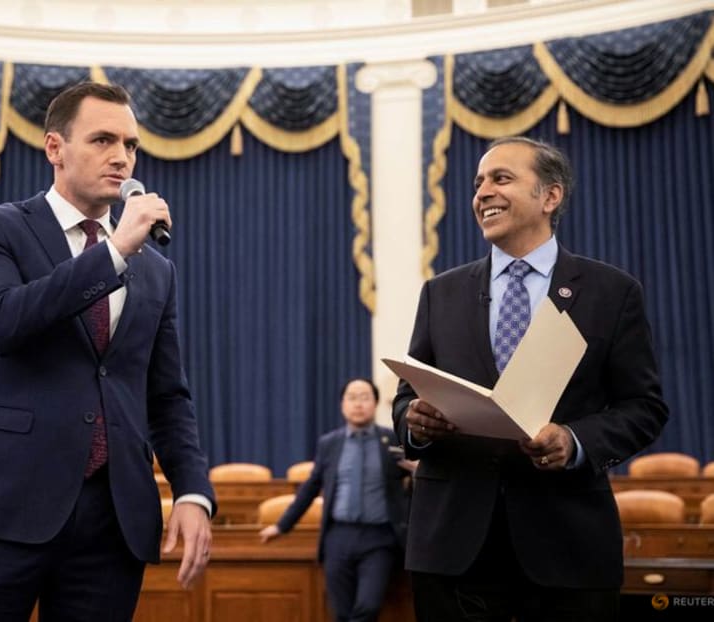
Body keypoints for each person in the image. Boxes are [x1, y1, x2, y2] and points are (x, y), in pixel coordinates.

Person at [0, 82, 215, 621]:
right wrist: (114, 253)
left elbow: (167, 395)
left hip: (113, 517)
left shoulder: (156, 269)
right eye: (103, 139)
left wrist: (193, 491)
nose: (122, 157)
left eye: (130, 144)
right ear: (54, 148)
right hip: (3, 502)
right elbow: (2, 323)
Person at [393, 136, 668, 622]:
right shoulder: (441, 293)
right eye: (478, 183)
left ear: (550, 196)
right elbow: (407, 398)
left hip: (568, 547)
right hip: (452, 549)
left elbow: (644, 407)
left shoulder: (611, 293)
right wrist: (415, 423)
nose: (482, 192)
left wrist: (574, 440)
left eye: (501, 178)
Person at [260, 378, 415, 622]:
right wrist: (281, 526)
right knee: (340, 611)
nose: (358, 404)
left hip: (380, 539)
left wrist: (417, 470)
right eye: (352, 397)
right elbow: (310, 489)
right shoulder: (329, 444)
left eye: (365, 397)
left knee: (369, 605)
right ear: (342, 405)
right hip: (338, 538)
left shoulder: (392, 441)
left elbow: (418, 483)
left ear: (375, 404)